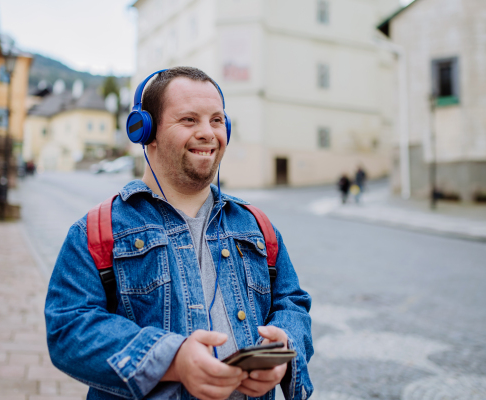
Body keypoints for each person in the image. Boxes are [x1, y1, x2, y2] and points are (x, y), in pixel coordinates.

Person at [45, 67, 313, 400]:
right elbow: (68, 330)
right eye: (189, 120)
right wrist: (172, 359)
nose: (208, 133)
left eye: (217, 120)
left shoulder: (257, 226)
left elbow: (293, 305)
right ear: (145, 131)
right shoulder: (97, 231)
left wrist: (283, 351)